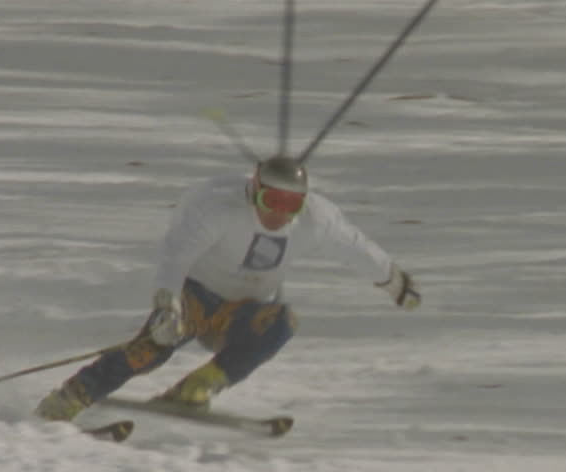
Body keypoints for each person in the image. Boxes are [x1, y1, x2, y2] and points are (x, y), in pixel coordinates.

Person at [34, 155, 420, 421]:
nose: (280, 212)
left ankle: (199, 387)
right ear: (254, 190)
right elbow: (175, 255)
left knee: (283, 323)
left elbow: (355, 248)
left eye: (292, 204)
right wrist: (168, 306)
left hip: (244, 312)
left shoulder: (317, 220)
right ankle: (71, 397)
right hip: (195, 297)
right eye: (272, 199)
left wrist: (395, 283)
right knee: (152, 349)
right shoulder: (218, 208)